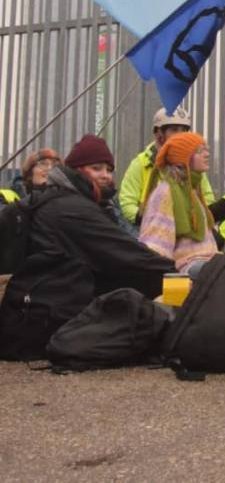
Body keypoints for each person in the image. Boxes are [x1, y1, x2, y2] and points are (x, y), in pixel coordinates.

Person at [0, 134, 173, 360]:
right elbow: (125, 253)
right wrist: (178, 274)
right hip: (49, 323)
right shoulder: (71, 208)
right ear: (76, 170)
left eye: (109, 169)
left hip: (40, 314)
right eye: (96, 168)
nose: (106, 175)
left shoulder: (69, 202)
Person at [138, 132, 219, 279]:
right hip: (187, 270)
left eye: (207, 149)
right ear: (184, 158)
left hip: (206, 263)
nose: (207, 154)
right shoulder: (166, 193)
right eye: (200, 151)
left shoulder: (192, 190)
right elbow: (156, 244)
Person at [117, 107, 214, 228]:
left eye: (184, 130)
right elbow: (127, 203)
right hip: (148, 231)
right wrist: (151, 220)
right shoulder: (141, 163)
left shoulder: (192, 164)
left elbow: (207, 198)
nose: (180, 135)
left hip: (187, 231)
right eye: (174, 130)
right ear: (159, 133)